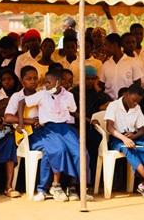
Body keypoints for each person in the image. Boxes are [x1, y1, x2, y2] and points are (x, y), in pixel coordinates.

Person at [23, 70, 89, 202]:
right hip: (49, 128)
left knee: (81, 153)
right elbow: (22, 103)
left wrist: (88, 119)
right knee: (58, 151)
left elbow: (73, 111)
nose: (45, 85)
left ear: (58, 83)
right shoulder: (43, 94)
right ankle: (55, 185)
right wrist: (20, 122)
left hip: (64, 128)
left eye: (48, 83)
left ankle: (73, 186)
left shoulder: (69, 95)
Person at [104, 83, 144, 200]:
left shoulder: (137, 108)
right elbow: (109, 127)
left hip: (134, 137)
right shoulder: (113, 106)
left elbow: (141, 130)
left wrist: (134, 136)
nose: (135, 103)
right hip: (118, 138)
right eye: (134, 100)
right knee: (129, 148)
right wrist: (124, 139)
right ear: (126, 94)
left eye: (138, 101)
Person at [99, 33, 144, 100]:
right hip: (110, 103)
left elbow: (137, 85)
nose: (105, 48)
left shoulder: (132, 62)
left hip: (127, 102)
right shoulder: (106, 64)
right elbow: (102, 85)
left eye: (106, 45)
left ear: (114, 45)